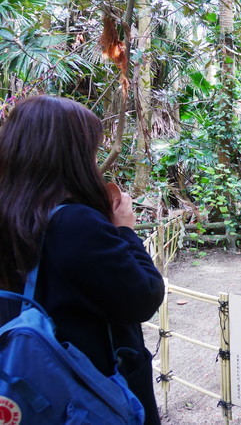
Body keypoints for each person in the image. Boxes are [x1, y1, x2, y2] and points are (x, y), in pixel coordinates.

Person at [0, 95, 165, 424]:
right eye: (90, 151)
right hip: (84, 392)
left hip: (29, 382)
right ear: (69, 157)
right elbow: (143, 295)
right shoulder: (72, 224)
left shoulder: (12, 216)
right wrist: (124, 230)